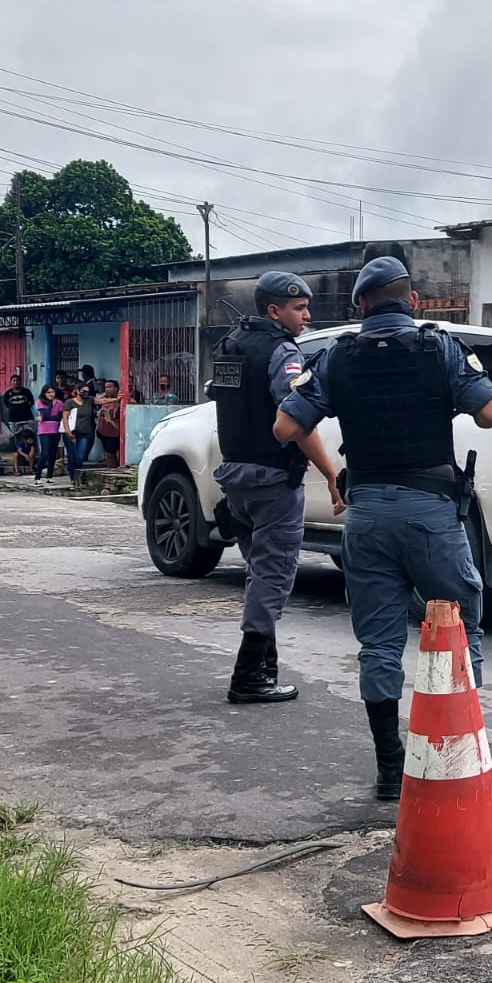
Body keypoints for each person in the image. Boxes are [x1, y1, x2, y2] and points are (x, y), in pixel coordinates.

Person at [274, 252, 492, 799]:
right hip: (429, 513)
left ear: (360, 306)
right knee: (456, 629)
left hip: (367, 515)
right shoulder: (438, 347)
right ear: (415, 302)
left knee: (378, 645)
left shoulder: (337, 356)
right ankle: (459, 755)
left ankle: (389, 766)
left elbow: (286, 425)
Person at [210, 271, 343, 707]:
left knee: (258, 572)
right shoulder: (282, 352)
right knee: (273, 575)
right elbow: (296, 418)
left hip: (235, 478)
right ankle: (248, 676)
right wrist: (329, 472)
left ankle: (266, 667)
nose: (307, 316)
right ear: (274, 310)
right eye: (299, 308)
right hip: (272, 479)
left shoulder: (230, 345)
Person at [34, 383, 66, 484]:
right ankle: (37, 477)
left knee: (53, 453)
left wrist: (44, 418)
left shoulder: (60, 403)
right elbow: (45, 414)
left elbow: (58, 417)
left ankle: (49, 476)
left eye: (52, 392)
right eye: (48, 392)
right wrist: (50, 403)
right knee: (45, 453)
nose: (51, 394)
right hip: (44, 430)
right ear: (44, 393)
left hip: (55, 430)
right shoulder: (40, 401)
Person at [96, 380, 124, 468]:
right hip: (102, 430)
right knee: (107, 454)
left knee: (111, 453)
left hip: (114, 432)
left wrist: (111, 419)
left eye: (109, 387)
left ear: (116, 388)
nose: (107, 389)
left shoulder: (121, 401)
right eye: (106, 388)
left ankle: (114, 471)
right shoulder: (104, 399)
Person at [2, 375, 35, 440]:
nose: (16, 382)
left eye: (17, 380)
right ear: (11, 382)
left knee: (29, 435)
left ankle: (31, 449)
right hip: (14, 419)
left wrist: (26, 408)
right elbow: (6, 403)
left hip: (27, 418)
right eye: (14, 381)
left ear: (20, 382)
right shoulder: (8, 393)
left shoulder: (26, 391)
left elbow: (31, 401)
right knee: (17, 436)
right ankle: (19, 449)